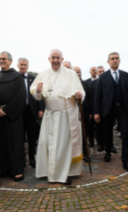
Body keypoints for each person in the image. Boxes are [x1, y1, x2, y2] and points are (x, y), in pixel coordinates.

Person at [30, 49, 85, 185]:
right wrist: (37, 91)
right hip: (49, 116)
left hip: (65, 117)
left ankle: (63, 173)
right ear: (49, 59)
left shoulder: (71, 74)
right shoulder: (42, 74)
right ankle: (48, 171)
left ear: (62, 59)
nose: (55, 60)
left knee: (62, 147)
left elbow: (81, 92)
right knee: (47, 144)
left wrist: (80, 96)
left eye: (57, 58)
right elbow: (36, 94)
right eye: (53, 58)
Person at [94, 52, 128, 174]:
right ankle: (107, 152)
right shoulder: (103, 77)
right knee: (107, 133)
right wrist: (96, 112)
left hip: (123, 109)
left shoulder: (125, 76)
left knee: (126, 135)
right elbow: (98, 95)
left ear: (119, 60)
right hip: (108, 109)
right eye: (112, 59)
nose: (115, 60)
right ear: (108, 62)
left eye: (117, 58)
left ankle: (126, 161)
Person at [0, 52, 26, 181]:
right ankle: (3, 168)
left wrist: (6, 110)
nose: (1, 61)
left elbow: (21, 97)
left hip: (13, 116)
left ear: (11, 61)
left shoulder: (18, 77)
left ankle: (17, 170)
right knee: (0, 142)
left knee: (14, 142)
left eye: (4, 59)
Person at [18, 58, 45, 168]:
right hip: (18, 112)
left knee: (32, 136)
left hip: (32, 112)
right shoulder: (14, 79)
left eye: (25, 65)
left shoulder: (34, 79)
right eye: (21, 65)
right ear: (18, 65)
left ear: (28, 66)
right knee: (19, 137)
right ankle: (20, 160)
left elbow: (40, 95)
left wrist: (40, 109)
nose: (23, 66)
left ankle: (32, 158)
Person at [73, 66, 92, 162]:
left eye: (79, 72)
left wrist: (90, 112)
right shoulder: (69, 84)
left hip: (83, 112)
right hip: (72, 114)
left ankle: (85, 153)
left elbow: (89, 99)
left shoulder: (85, 84)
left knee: (84, 134)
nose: (78, 74)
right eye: (76, 72)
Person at [90, 66, 106, 151]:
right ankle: (101, 145)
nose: (102, 73)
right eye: (100, 71)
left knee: (108, 129)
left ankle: (110, 145)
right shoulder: (93, 83)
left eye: (103, 71)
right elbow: (92, 98)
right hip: (97, 110)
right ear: (97, 73)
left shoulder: (108, 81)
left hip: (107, 110)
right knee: (99, 129)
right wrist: (94, 111)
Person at [85, 66, 97, 147]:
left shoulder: (101, 81)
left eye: (95, 70)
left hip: (98, 107)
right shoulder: (87, 82)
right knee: (90, 127)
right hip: (90, 107)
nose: (95, 71)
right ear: (90, 72)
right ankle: (91, 142)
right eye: (93, 70)